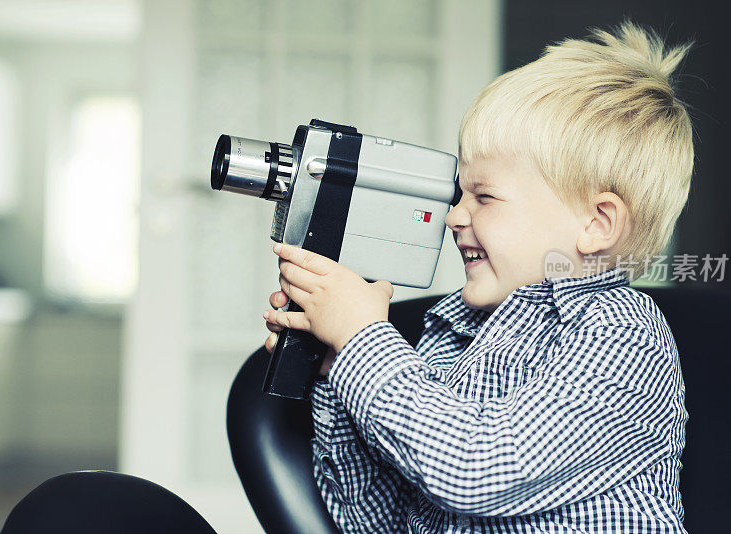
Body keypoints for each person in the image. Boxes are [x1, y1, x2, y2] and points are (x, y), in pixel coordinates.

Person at [263, 20, 692, 533]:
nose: (454, 216)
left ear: (596, 224)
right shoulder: (453, 337)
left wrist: (362, 340)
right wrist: (337, 371)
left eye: (484, 197)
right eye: (459, 193)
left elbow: (476, 469)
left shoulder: (623, 337)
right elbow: (377, 522)